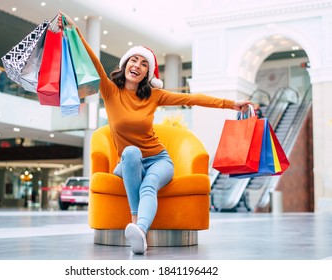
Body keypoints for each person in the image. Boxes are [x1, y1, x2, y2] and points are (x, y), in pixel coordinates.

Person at [59, 12, 251, 255]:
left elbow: (192, 99)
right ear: (125, 64)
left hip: (159, 160)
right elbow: (92, 59)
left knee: (149, 183)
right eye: (134, 60)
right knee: (130, 152)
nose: (137, 66)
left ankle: (139, 231)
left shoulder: (153, 95)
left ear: (147, 74)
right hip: (128, 161)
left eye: (144, 64)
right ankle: (136, 220)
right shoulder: (109, 91)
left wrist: (230, 104)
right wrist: (72, 29)